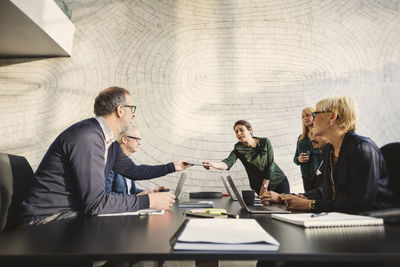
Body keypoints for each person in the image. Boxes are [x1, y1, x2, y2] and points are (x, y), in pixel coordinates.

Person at [19, 86, 191, 226]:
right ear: (120, 110)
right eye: (132, 109)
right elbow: (96, 204)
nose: (134, 114)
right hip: (44, 220)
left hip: (69, 214)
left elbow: (134, 171)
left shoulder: (109, 142)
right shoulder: (87, 138)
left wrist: (172, 167)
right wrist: (148, 201)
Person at [282, 96, 397, 214]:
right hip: (342, 219)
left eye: (315, 114)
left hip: (375, 222)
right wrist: (293, 197)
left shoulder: (362, 148)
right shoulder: (328, 150)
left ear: (333, 116)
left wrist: (310, 204)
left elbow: (360, 204)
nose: (312, 120)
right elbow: (328, 192)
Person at [203, 120, 290, 199]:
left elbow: (270, 165)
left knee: (285, 207)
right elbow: (227, 163)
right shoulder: (238, 148)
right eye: (236, 132)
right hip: (258, 186)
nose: (238, 133)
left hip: (278, 182)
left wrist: (264, 186)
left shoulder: (265, 142)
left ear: (250, 130)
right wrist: (213, 164)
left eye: (241, 130)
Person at [105, 125, 164, 195]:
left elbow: (129, 191)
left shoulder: (128, 163)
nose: (139, 143)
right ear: (124, 140)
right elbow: (106, 195)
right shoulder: (112, 162)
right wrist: (136, 197)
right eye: (137, 139)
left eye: (140, 139)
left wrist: (150, 192)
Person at [293, 107, 322, 192]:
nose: (305, 118)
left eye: (307, 115)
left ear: (314, 116)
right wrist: (298, 159)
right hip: (306, 176)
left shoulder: (321, 135)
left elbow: (326, 152)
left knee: (318, 199)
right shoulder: (301, 138)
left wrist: (313, 152)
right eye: (303, 117)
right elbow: (295, 157)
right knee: (308, 199)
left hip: (319, 174)